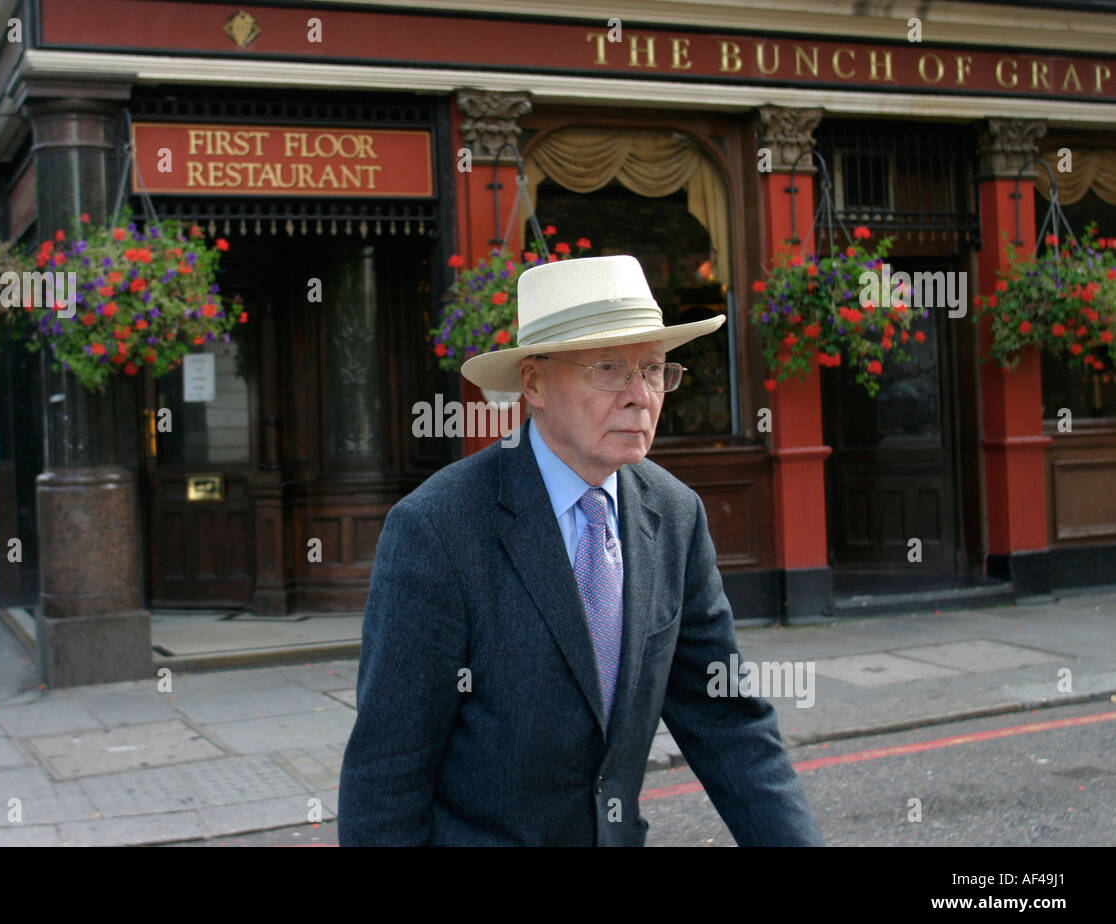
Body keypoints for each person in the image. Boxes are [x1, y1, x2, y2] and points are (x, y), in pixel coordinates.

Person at [338, 254, 823, 846]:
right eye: (609, 368)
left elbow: (729, 724)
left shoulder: (675, 515)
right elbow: (388, 773)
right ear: (534, 383)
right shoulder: (437, 529)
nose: (640, 396)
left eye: (653, 369)